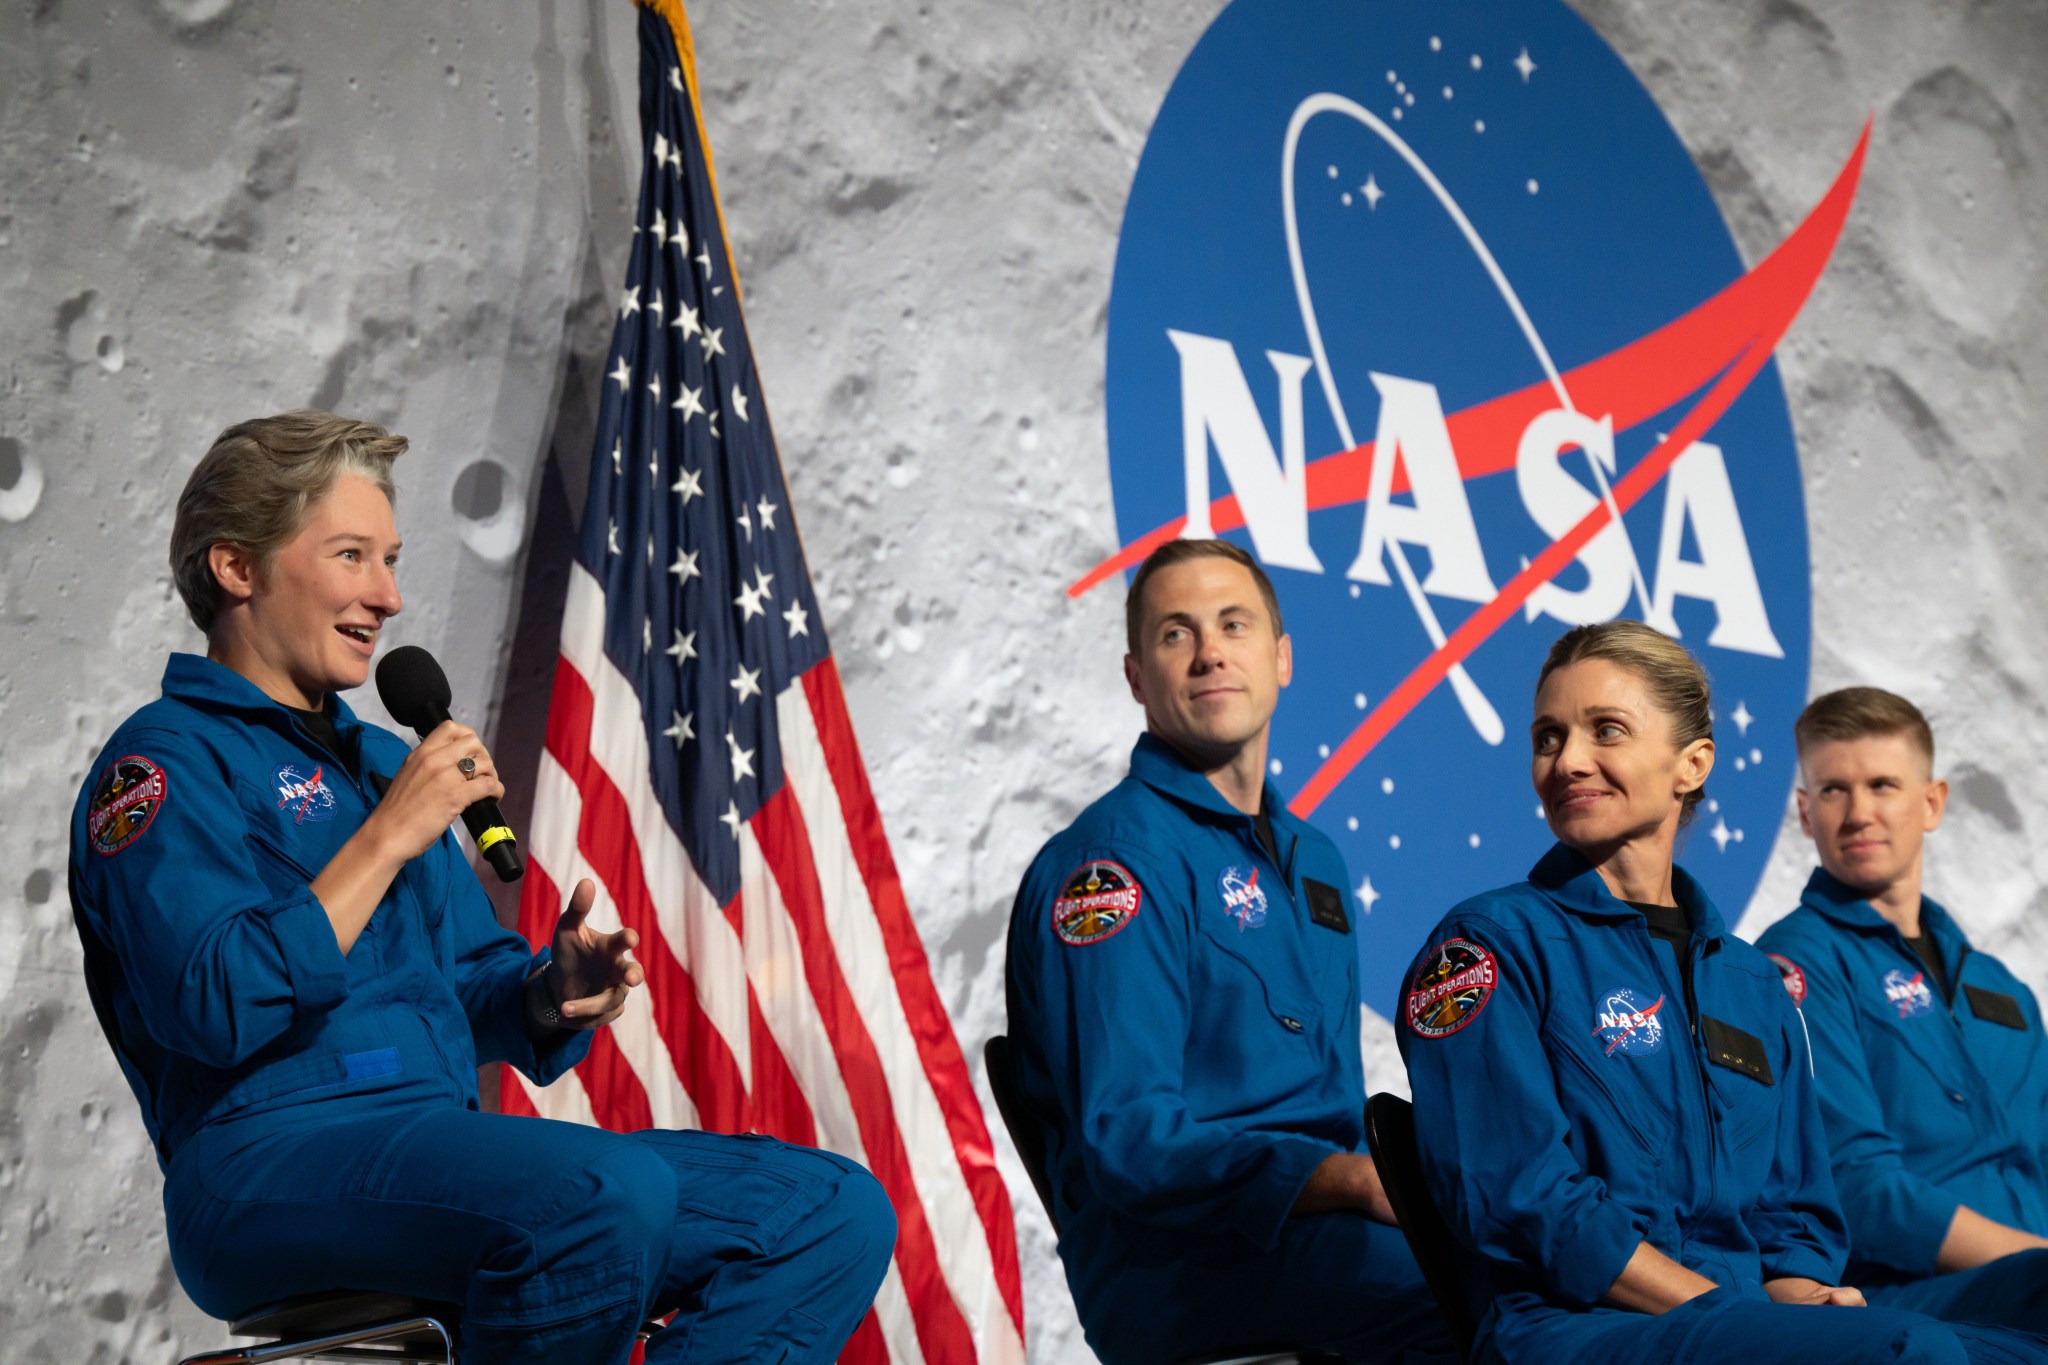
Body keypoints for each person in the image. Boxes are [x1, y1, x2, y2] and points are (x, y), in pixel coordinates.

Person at [69, 411, 894, 1363]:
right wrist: (386, 837)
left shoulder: (385, 762)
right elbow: (213, 1004)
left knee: (828, 1210)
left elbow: (467, 986)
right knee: (601, 1197)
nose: (389, 596)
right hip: (260, 1162)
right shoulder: (160, 766)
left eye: (391, 559)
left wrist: (549, 993)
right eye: (351, 555)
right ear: (236, 567)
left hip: (428, 1138)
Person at [1396, 621, 2048, 1364]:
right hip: (1572, 1328)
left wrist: (1808, 1300)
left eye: (1606, 730)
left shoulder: (1749, 983)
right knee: (1911, 1351)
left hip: (1734, 1322)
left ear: (1692, 764)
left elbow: (1792, 1213)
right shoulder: (1488, 945)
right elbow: (1519, 1197)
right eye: (1549, 737)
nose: (1569, 760)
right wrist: (1736, 1312)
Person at [1003, 538, 1452, 1365]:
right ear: (1137, 677)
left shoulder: (1315, 861)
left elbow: (1332, 1101)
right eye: (1176, 633)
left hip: (1324, 1234)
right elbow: (1132, 1139)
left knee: (1546, 1271)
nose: (1210, 651)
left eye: (1233, 624)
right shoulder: (1112, 867)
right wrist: (1346, 1180)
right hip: (1175, 1265)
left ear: (1281, 659)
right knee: (1483, 1302)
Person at [1754, 687, 2048, 1334]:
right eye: (1833, 790)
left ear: (1932, 802)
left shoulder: (2003, 988)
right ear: (1805, 812)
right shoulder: (1794, 963)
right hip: (1903, 1301)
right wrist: (2035, 1261)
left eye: (1882, 785)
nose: (1859, 812)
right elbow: (1853, 1184)